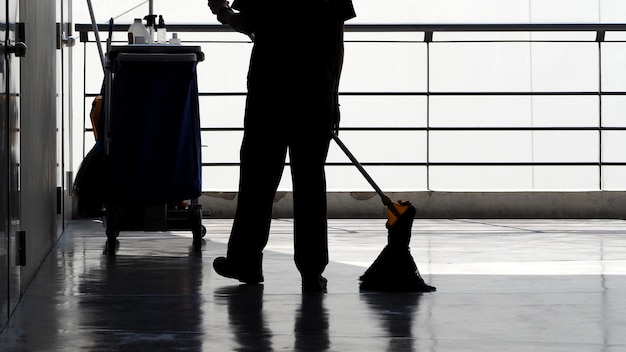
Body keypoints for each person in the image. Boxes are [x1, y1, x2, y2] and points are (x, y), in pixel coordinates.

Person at [207, 0, 356, 292]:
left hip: (270, 91)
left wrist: (222, 12)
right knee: (310, 183)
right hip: (315, 93)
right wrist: (334, 96)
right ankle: (312, 272)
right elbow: (337, 42)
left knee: (257, 180)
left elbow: (247, 22)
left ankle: (246, 261)